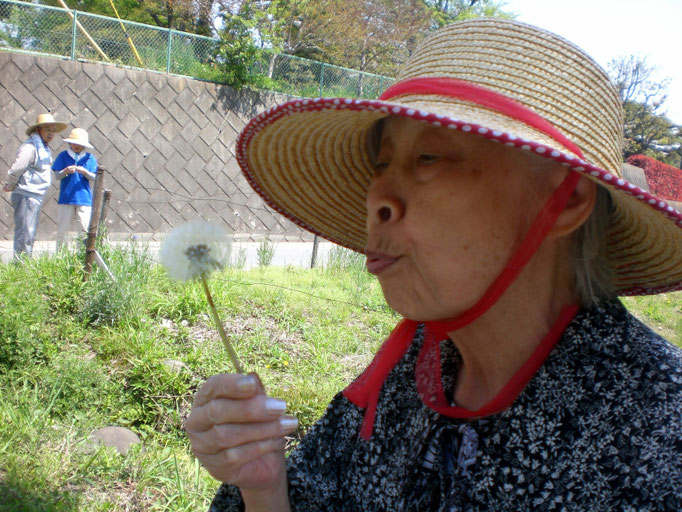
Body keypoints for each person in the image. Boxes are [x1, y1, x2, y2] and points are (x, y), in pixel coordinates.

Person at [185, 19, 682, 511]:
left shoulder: (659, 440)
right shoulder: (410, 374)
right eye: (381, 164)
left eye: (429, 157)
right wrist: (264, 486)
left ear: (567, 199)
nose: (377, 198)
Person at [3, 113, 67, 259]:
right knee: (25, 231)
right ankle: (21, 264)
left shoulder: (42, 147)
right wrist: (11, 184)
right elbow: (18, 167)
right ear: (38, 130)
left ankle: (25, 262)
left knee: (29, 231)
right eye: (47, 129)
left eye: (53, 130)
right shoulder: (30, 147)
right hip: (26, 194)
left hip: (34, 195)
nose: (51, 133)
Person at [52, 128, 98, 250]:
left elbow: (95, 177)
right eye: (74, 143)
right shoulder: (63, 156)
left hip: (84, 198)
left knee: (84, 230)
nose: (76, 146)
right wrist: (65, 171)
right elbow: (57, 176)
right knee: (62, 230)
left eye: (79, 144)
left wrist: (85, 172)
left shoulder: (89, 158)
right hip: (66, 198)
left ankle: (83, 255)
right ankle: (60, 255)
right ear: (69, 143)